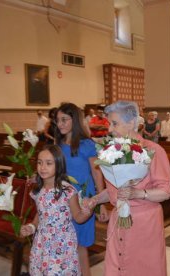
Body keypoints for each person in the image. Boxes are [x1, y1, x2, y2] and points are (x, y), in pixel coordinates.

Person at [86, 101, 170, 275]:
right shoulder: (111, 152)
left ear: (132, 122)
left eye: (114, 123)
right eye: (109, 123)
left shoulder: (153, 150)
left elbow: (165, 191)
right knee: (116, 267)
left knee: (143, 268)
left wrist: (138, 193)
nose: (109, 129)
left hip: (144, 223)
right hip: (118, 218)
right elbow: (113, 191)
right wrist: (95, 199)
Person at [20, 145, 93, 275]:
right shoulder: (38, 191)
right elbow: (40, 213)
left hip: (62, 242)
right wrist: (32, 226)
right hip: (42, 240)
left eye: (48, 163)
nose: (42, 167)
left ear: (59, 165)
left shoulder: (67, 191)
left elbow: (78, 217)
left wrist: (88, 211)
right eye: (39, 162)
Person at [54, 102, 107, 276]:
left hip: (83, 198)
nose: (60, 124)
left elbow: (97, 173)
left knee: (79, 245)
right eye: (58, 120)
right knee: (63, 242)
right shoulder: (58, 144)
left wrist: (101, 203)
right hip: (62, 199)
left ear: (74, 120)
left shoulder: (86, 144)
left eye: (64, 120)